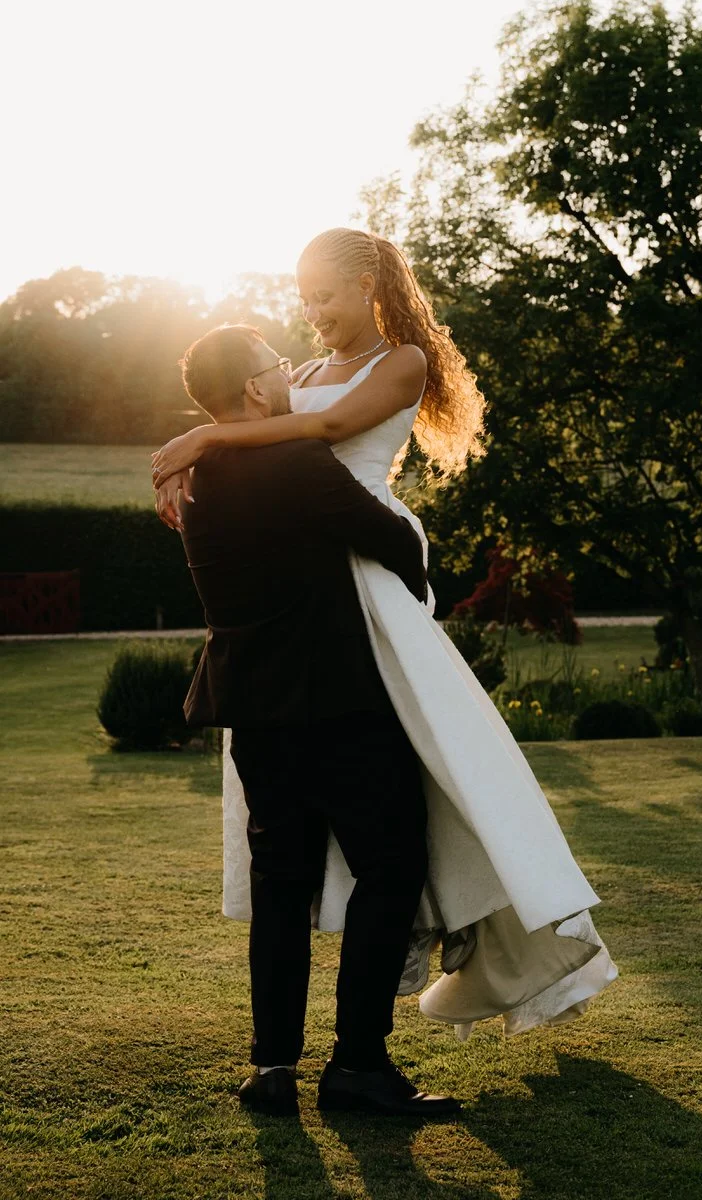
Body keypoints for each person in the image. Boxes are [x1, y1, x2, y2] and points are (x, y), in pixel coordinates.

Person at [153, 227, 617, 1045]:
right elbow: (267, 430)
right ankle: (359, 1006)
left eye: (325, 295)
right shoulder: (296, 375)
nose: (313, 312)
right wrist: (210, 445)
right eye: (304, 298)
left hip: (369, 563)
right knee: (337, 813)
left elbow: (325, 433)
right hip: (310, 590)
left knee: (437, 764)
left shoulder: (402, 362)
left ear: (367, 287)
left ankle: (445, 922)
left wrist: (207, 437)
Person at [176, 322, 461, 1118]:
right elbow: (394, 540)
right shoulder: (298, 462)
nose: (288, 375)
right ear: (256, 388)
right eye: (276, 366)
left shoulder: (196, 479)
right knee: (392, 867)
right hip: (338, 705)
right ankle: (358, 1065)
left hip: (253, 711)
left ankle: (272, 1068)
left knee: (280, 882)